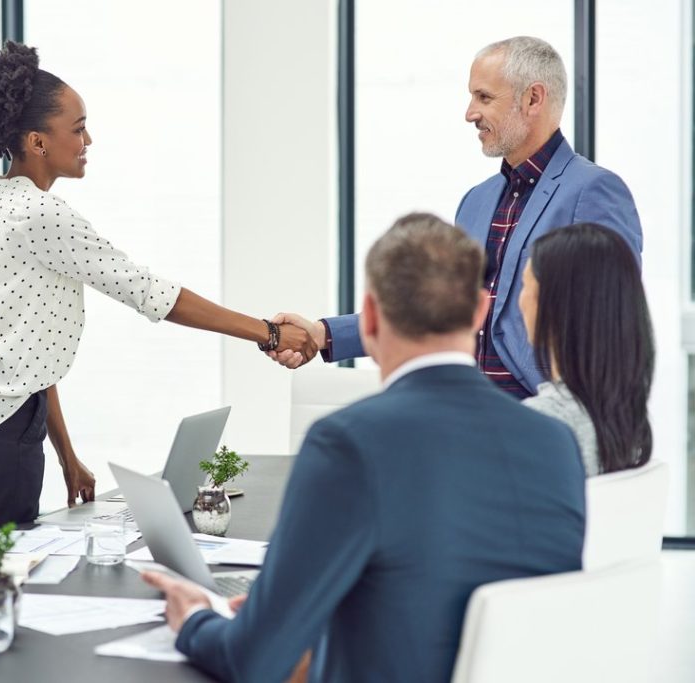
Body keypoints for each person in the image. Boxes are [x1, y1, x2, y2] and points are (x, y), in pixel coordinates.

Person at [143, 214, 585, 682]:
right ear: (480, 311)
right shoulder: (555, 441)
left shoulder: (347, 442)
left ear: (370, 316)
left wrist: (194, 618)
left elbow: (251, 660)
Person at [0, 41, 316, 542]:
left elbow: (27, 351)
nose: (88, 139)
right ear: (38, 142)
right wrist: (267, 332)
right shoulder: (41, 214)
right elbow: (150, 292)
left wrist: (66, 455)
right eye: (78, 128)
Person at [272, 36, 642, 399]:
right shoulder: (476, 201)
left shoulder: (594, 190)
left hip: (546, 420)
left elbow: (614, 321)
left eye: (484, 97)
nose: (470, 114)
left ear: (533, 99)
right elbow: (432, 307)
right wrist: (323, 334)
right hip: (466, 411)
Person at [518, 223, 654, 476]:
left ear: (555, 304)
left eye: (525, 285)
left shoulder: (538, 422)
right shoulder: (630, 425)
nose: (520, 300)